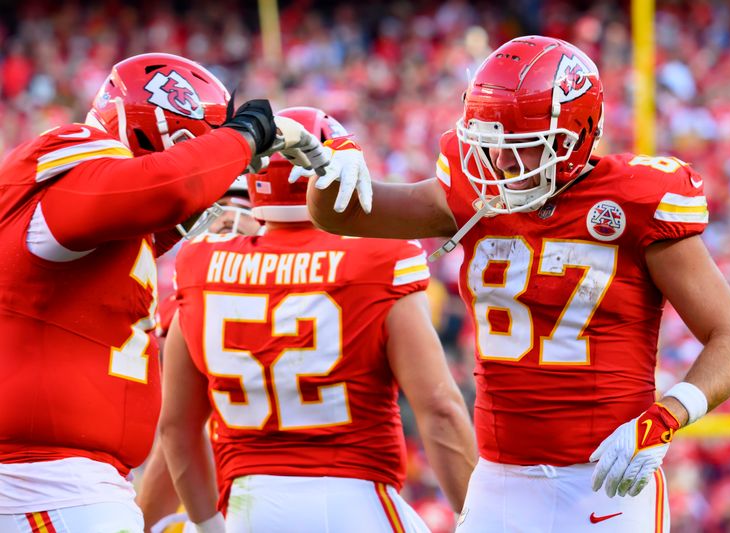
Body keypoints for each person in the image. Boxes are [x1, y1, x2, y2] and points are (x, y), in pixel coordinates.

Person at [307, 35, 730, 532]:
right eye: (491, 145)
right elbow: (344, 213)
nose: (498, 165)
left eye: (517, 149)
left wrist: (667, 416)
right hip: (500, 480)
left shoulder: (634, 201)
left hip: (605, 482)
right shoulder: (474, 191)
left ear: (570, 139)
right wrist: (330, 162)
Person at [0, 52, 336, 532]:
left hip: (68, 479)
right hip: (47, 484)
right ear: (160, 132)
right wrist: (241, 137)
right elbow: (167, 189)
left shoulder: (93, 217)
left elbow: (156, 213)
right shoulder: (70, 164)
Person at [158, 106, 477, 533]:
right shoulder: (379, 258)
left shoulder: (200, 265)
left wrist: (209, 525)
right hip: (354, 501)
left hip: (248, 508)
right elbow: (439, 409)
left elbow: (176, 427)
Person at [136, 175, 262, 533]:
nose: (227, 221)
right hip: (326, 484)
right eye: (218, 212)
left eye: (239, 209)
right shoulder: (329, 281)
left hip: (232, 498)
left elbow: (178, 433)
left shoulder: (191, 299)